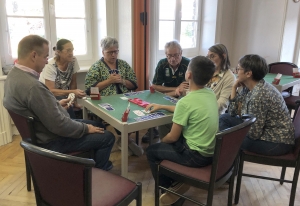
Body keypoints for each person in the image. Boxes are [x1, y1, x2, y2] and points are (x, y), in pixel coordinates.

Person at [3, 35, 115, 171]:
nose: (46, 61)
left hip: (39, 135)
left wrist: (56, 105)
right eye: (45, 56)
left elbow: (40, 109)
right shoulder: (33, 86)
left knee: (97, 125)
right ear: (33, 55)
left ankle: (89, 165)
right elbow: (60, 125)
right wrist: (85, 129)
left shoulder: (13, 75)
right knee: (107, 137)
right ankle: (98, 173)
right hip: (51, 140)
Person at [146, 56, 218, 205]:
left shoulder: (185, 102)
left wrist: (163, 141)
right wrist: (162, 106)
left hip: (195, 156)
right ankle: (177, 183)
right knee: (171, 144)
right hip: (212, 152)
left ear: (188, 75)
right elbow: (187, 108)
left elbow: (172, 137)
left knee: (152, 151)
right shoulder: (210, 93)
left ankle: (170, 192)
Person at [219, 54, 295, 156]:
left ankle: (225, 164)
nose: (236, 72)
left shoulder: (259, 95)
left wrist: (235, 134)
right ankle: (227, 162)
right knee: (224, 118)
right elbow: (232, 113)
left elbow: (253, 134)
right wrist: (234, 89)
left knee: (230, 140)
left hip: (276, 142)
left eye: (238, 69)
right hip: (263, 132)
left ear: (248, 73)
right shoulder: (250, 86)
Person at [85, 36, 143, 156]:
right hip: (104, 102)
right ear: (103, 52)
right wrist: (109, 81)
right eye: (110, 52)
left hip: (125, 99)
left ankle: (125, 139)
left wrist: (122, 81)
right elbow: (89, 90)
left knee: (134, 114)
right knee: (120, 118)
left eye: (116, 51)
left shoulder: (123, 65)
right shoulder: (96, 67)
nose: (113, 55)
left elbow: (134, 84)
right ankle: (125, 140)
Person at [142, 40, 190, 143]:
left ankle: (174, 135)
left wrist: (176, 91)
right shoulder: (162, 63)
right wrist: (175, 89)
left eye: (176, 55)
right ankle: (153, 130)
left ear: (181, 53)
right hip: (166, 95)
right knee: (154, 106)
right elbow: (155, 86)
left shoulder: (188, 64)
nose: (173, 59)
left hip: (182, 97)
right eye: (169, 56)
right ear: (166, 54)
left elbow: (185, 89)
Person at [175, 43, 235, 115]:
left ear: (223, 56)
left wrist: (202, 109)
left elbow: (222, 104)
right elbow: (197, 92)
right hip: (197, 108)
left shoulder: (229, 77)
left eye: (212, 56)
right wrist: (184, 92)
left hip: (212, 114)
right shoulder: (207, 71)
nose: (210, 60)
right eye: (208, 57)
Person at [39, 39, 85, 118]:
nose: (71, 53)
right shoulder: (51, 65)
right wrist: (73, 92)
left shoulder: (73, 61)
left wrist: (74, 102)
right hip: (48, 96)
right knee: (68, 112)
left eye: (72, 50)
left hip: (62, 94)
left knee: (71, 107)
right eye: (68, 50)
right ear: (58, 52)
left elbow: (73, 83)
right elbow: (51, 91)